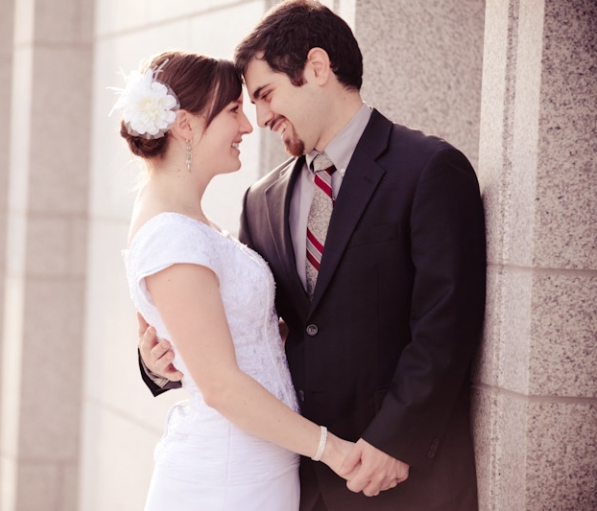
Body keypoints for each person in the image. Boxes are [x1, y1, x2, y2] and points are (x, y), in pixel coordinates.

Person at [138, 2, 487, 510]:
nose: (259, 119)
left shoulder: (429, 169)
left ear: (317, 68)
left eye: (265, 94)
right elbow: (250, 323)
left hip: (402, 479)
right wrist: (160, 361)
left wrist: (397, 440)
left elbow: (447, 323)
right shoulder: (261, 200)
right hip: (296, 481)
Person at [118, 50, 358, 511]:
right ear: (185, 125)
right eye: (233, 110)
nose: (248, 126)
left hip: (258, 468)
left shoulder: (186, 221)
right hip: (225, 480)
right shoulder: (171, 235)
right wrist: (333, 450)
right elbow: (221, 385)